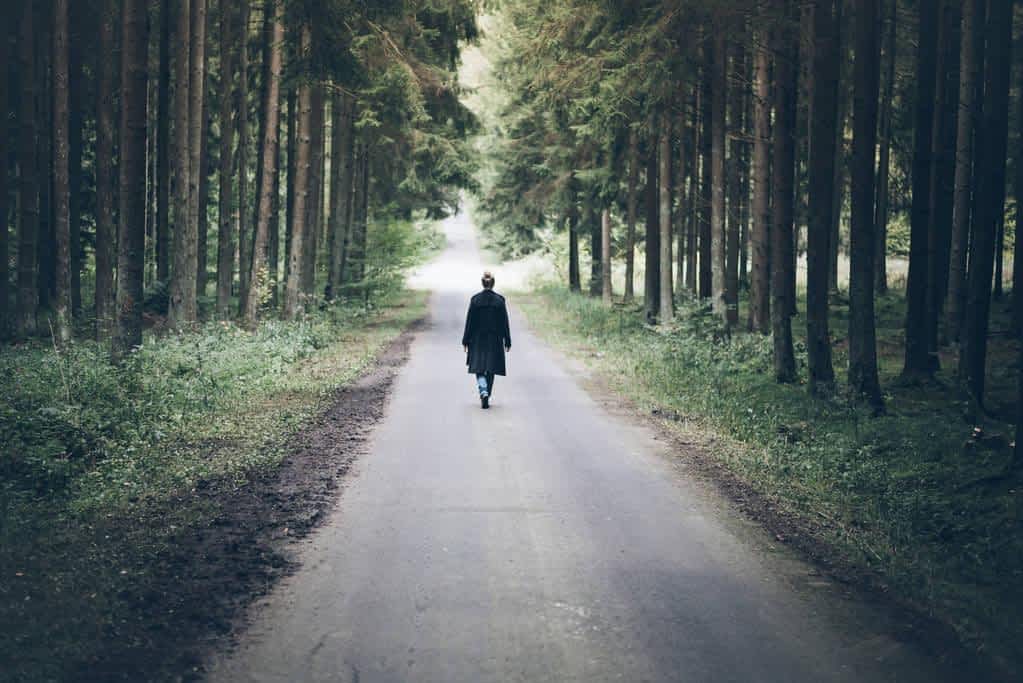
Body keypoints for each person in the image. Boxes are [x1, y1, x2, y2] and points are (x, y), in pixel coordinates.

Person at [462, 271, 512, 409]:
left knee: (479, 367)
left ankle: (483, 390)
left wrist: (465, 340)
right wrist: (507, 340)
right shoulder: (500, 301)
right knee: (491, 367)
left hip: (477, 339)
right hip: (495, 339)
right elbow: (504, 322)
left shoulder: (475, 300)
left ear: (482, 283)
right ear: (493, 283)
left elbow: (470, 322)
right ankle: (487, 393)